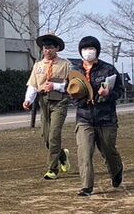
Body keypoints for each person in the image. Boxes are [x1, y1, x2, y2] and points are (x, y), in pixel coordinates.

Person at [71, 35, 124, 197]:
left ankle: (116, 170)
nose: (88, 51)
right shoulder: (75, 71)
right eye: (85, 49)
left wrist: (108, 94)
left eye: (91, 48)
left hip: (106, 118)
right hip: (84, 118)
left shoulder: (108, 69)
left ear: (97, 51)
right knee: (84, 152)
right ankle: (86, 186)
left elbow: (120, 91)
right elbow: (70, 94)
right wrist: (81, 99)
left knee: (108, 150)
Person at [22, 33, 72, 179]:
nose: (47, 50)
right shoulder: (38, 66)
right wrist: (28, 100)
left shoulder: (66, 65)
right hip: (43, 101)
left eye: (50, 47)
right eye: (45, 48)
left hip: (60, 101)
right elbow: (33, 84)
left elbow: (72, 84)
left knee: (54, 135)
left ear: (57, 48)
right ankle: (61, 155)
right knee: (46, 136)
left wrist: (55, 86)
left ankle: (52, 169)